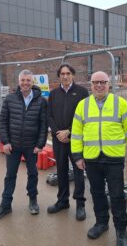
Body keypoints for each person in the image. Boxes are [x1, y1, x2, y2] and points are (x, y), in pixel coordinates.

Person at [71, 71, 127, 245]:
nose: (99, 85)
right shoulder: (82, 105)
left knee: (116, 195)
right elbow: (77, 133)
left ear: (109, 84)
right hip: (91, 158)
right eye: (95, 82)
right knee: (97, 193)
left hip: (113, 158)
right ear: (90, 85)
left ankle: (121, 231)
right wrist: (77, 156)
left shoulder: (120, 103)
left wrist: (119, 143)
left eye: (103, 82)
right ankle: (101, 223)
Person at [0, 69, 47, 220]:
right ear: (19, 82)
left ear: (32, 82)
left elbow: (43, 125)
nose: (25, 83)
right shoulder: (10, 99)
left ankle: (33, 200)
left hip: (31, 147)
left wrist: (40, 144)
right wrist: (6, 142)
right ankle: (5, 205)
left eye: (28, 80)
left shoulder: (41, 101)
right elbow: (3, 122)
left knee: (33, 174)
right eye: (23, 80)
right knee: (10, 175)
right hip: (13, 146)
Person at [47, 63, 89, 221]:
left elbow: (85, 116)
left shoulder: (82, 92)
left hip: (76, 140)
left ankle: (80, 204)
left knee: (78, 172)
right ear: (59, 76)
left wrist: (69, 132)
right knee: (62, 170)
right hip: (59, 140)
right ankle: (62, 201)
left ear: (73, 75)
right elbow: (48, 115)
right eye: (62, 74)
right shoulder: (53, 94)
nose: (65, 76)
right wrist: (58, 132)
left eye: (68, 73)